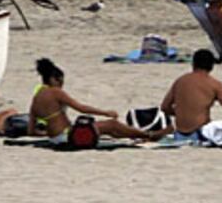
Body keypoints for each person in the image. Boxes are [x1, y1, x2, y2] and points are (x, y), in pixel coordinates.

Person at [28, 58, 163, 144]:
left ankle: (137, 135)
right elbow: (81, 108)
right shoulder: (55, 92)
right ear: (54, 79)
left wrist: (49, 134)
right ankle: (150, 134)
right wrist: (105, 112)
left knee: (109, 130)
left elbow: (31, 130)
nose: (62, 85)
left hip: (55, 139)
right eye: (61, 82)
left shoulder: (36, 97)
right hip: (67, 137)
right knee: (112, 124)